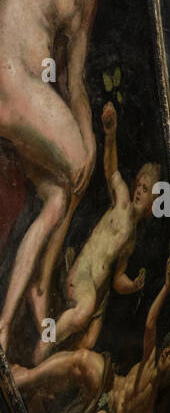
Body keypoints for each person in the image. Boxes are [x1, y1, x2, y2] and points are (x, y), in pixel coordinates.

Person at [0, 0, 141, 351]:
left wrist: (95, 147)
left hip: (22, 83)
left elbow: (74, 83)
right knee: (75, 163)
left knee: (60, 195)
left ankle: (9, 317)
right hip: (9, 65)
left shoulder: (88, 7)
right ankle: (40, 286)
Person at [12, 254, 170, 413]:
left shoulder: (148, 410)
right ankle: (24, 379)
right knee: (80, 359)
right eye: (168, 350)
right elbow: (150, 323)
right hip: (108, 383)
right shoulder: (149, 361)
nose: (166, 354)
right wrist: (166, 286)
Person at [38, 103, 161, 362]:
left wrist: (131, 286)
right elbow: (112, 171)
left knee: (89, 342)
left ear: (154, 203)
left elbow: (116, 278)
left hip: (96, 289)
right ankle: (41, 347)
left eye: (146, 189)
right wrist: (110, 135)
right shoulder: (123, 201)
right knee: (84, 310)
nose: (138, 189)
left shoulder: (132, 240)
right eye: (139, 184)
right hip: (82, 276)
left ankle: (45, 369)